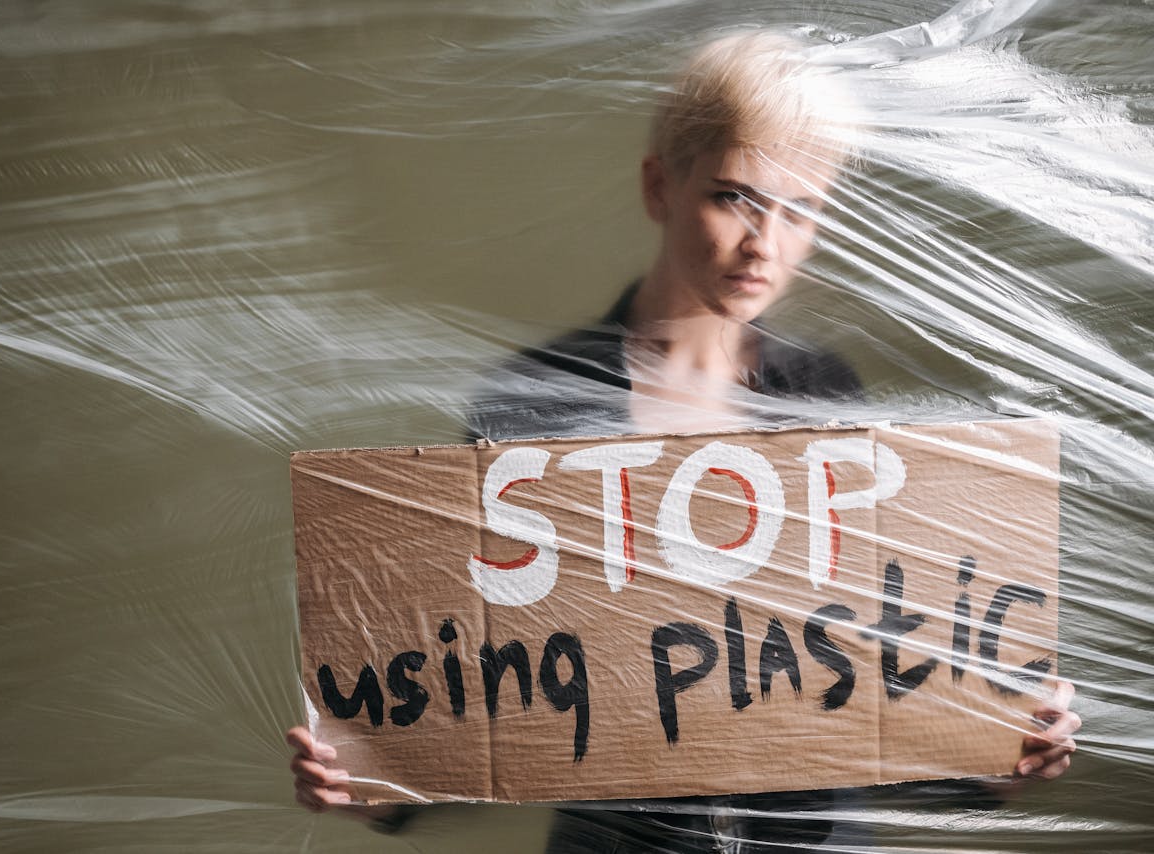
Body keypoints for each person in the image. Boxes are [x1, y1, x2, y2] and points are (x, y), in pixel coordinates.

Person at [287, 29, 1080, 852]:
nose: (764, 244)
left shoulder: (828, 398)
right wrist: (368, 782)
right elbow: (492, 704)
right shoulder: (532, 407)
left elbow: (869, 683)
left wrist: (999, 752)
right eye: (736, 196)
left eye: (802, 207)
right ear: (660, 186)